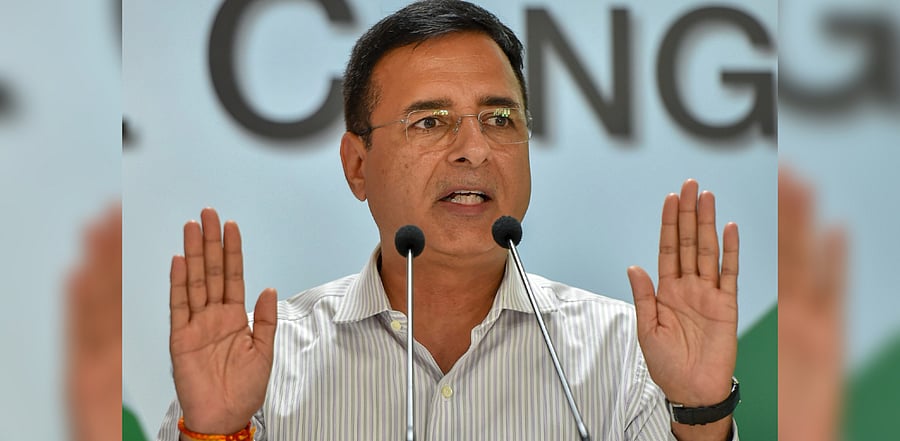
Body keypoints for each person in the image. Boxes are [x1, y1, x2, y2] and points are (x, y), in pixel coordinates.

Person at [158, 1, 740, 440]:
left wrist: (700, 411)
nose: (474, 149)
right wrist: (217, 431)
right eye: (430, 123)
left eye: (499, 119)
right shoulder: (267, 363)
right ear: (357, 165)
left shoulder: (626, 356)